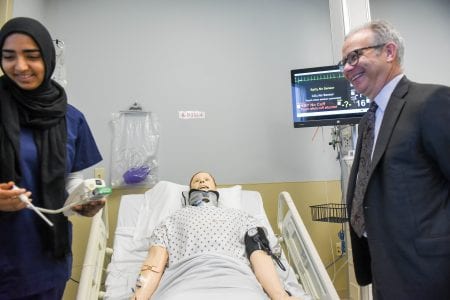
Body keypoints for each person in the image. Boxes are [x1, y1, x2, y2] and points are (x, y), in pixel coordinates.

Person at [341, 20, 450, 299]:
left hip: (430, 272)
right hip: (386, 269)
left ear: (388, 52)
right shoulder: (369, 119)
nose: (346, 68)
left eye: (354, 56)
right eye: (343, 62)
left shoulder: (431, 102)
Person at [0, 17, 104, 299]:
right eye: (9, 56)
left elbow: (70, 177)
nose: (20, 66)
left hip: (47, 258)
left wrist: (80, 200)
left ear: (47, 57)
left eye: (31, 56)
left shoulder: (71, 118)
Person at [132, 172, 306, 300]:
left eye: (206, 179)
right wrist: (138, 298)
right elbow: (153, 264)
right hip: (182, 282)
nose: (201, 182)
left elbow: (259, 256)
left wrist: (280, 296)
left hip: (237, 282)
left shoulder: (241, 217)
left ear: (216, 189)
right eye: (196, 181)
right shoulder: (170, 220)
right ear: (189, 191)